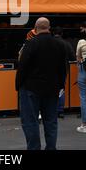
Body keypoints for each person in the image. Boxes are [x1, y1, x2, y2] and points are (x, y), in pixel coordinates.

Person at [15, 17, 67, 150]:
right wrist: (61, 85)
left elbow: (23, 66)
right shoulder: (60, 44)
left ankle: (34, 147)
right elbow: (63, 68)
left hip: (31, 88)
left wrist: (18, 85)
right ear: (49, 28)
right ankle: (51, 147)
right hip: (52, 89)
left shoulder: (31, 44)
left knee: (30, 121)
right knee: (51, 121)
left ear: (35, 28)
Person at [53, 26, 76, 119]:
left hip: (50, 70)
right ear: (62, 34)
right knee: (61, 90)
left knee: (50, 90)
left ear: (53, 33)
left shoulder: (49, 42)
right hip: (63, 70)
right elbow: (73, 58)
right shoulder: (66, 44)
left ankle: (51, 110)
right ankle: (60, 111)